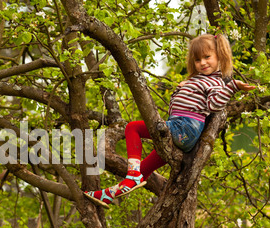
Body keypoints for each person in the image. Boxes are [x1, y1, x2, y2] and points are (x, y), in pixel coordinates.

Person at [84, 33, 255, 208]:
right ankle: (107, 194)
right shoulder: (200, 79)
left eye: (207, 57)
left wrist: (233, 87)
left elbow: (213, 104)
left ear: (219, 56)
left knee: (132, 128)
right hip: (181, 131)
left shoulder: (214, 81)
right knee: (143, 170)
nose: (202, 63)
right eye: (197, 60)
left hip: (184, 127)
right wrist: (185, 86)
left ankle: (132, 175)